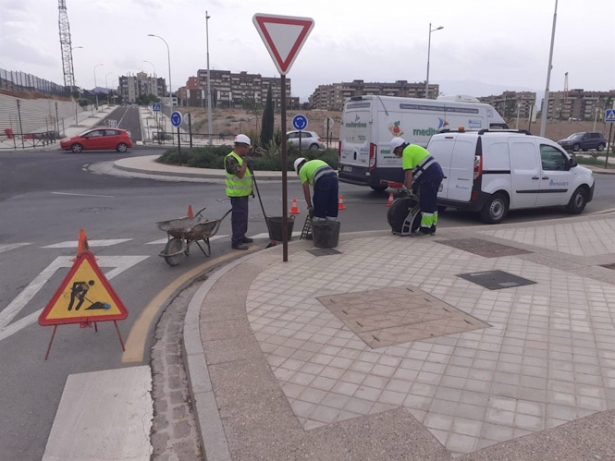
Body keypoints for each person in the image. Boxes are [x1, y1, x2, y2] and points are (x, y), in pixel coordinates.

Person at [390, 137, 444, 236]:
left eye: (396, 152)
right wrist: (407, 184)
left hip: (430, 177)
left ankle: (425, 230)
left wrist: (408, 188)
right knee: (432, 201)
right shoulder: (412, 148)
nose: (397, 155)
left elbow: (408, 172)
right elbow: (411, 174)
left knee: (426, 202)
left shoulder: (406, 152)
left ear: (399, 148)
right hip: (435, 174)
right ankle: (432, 227)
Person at [225, 134, 254, 250]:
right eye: (247, 148)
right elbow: (240, 174)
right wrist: (246, 163)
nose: (247, 151)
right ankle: (236, 241)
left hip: (243, 193)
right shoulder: (230, 158)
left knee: (244, 217)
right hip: (236, 194)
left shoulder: (240, 158)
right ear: (241, 146)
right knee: (238, 218)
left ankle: (241, 236)